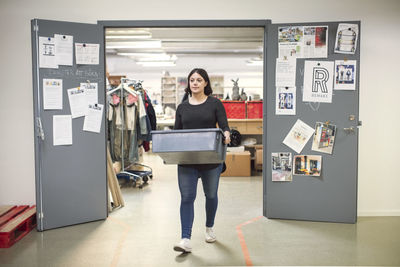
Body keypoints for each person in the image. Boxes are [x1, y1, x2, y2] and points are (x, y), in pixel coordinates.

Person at [173, 68, 230, 253]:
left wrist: (227, 134)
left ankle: (209, 228)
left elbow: (224, 125)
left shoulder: (215, 104)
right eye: (192, 80)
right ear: (188, 84)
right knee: (187, 197)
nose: (195, 83)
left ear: (206, 83)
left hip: (210, 160)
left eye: (199, 80)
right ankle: (185, 239)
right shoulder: (182, 107)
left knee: (211, 195)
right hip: (187, 160)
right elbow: (177, 133)